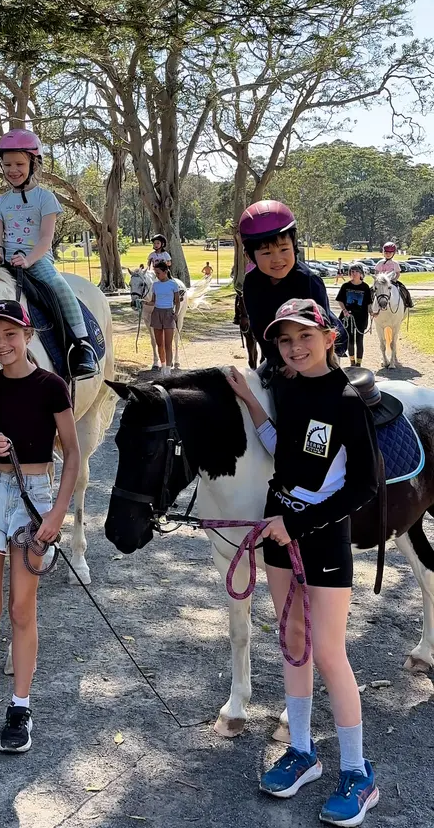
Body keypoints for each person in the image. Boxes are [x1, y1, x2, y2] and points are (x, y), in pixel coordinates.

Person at [227, 298, 380, 826]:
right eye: (285, 341)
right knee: (293, 641)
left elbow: (364, 485)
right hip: (277, 531)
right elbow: (283, 451)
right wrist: (250, 399)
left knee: (330, 651)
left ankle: (358, 774)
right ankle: (301, 750)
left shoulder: (347, 400)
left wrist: (297, 524)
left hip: (319, 538)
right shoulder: (287, 388)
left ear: (330, 337)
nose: (294, 348)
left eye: (304, 337)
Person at [0, 299, 80, 756]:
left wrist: (56, 513)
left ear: (27, 335)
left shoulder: (51, 386)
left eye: (10, 334)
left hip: (35, 497)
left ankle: (21, 706)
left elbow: (72, 456)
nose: (2, 344)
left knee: (21, 609)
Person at [0, 130, 97, 379]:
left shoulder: (45, 198)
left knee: (58, 286)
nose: (12, 170)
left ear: (33, 164)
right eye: (7, 164)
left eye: (19, 164)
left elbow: (46, 238)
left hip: (36, 258)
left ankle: (81, 345)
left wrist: (28, 259)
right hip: (4, 260)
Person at [240, 200, 347, 373]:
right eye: (266, 253)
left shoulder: (309, 281)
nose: (277, 259)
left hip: (319, 351)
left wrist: (298, 366)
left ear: (294, 246)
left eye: (283, 249)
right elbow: (259, 327)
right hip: (281, 352)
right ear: (250, 256)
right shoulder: (252, 283)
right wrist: (279, 361)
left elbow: (321, 331)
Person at [146, 260, 180, 374]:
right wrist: (143, 302)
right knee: (159, 343)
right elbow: (153, 301)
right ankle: (163, 364)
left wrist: (176, 313)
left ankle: (168, 368)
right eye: (155, 273)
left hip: (168, 313)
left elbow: (177, 301)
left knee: (168, 344)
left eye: (158, 273)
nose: (157, 275)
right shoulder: (155, 285)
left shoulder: (173, 284)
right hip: (157, 313)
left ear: (165, 272)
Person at [336, 263, 372, 367]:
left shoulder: (365, 287)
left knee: (359, 340)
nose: (354, 273)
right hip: (348, 318)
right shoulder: (345, 286)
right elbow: (340, 300)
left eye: (356, 271)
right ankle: (352, 362)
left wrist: (372, 312)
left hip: (361, 317)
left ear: (361, 273)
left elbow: (368, 303)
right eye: (352, 271)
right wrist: (344, 310)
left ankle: (359, 363)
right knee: (350, 340)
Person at [375, 242, 413, 309]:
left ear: (393, 254)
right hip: (381, 282)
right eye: (386, 253)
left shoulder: (395, 263)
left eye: (390, 253)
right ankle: (368, 304)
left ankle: (408, 302)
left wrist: (394, 279)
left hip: (392, 281)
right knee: (371, 290)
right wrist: (378, 279)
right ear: (383, 253)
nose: (388, 254)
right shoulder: (380, 263)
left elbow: (398, 273)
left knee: (403, 289)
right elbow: (377, 272)